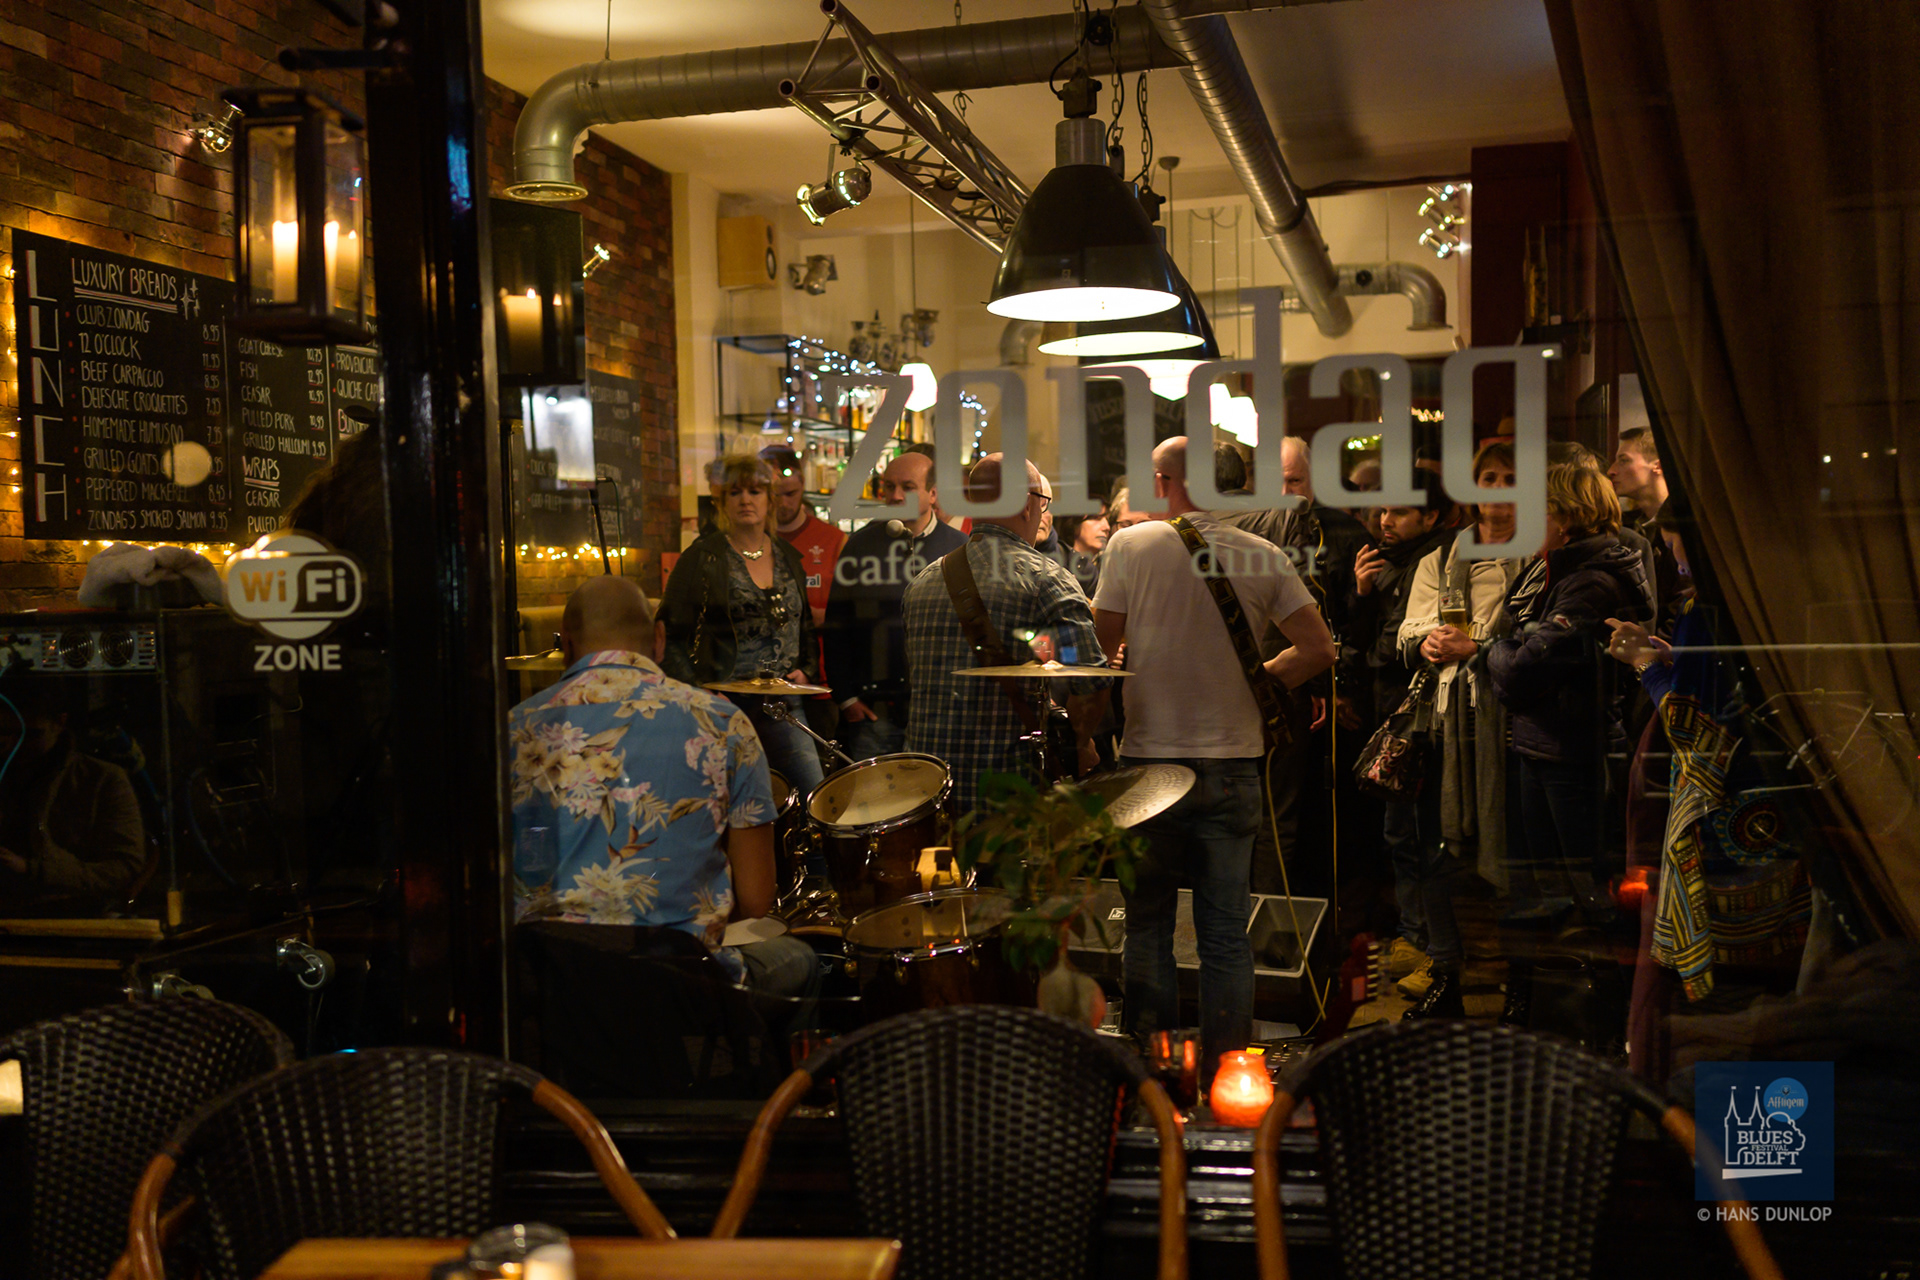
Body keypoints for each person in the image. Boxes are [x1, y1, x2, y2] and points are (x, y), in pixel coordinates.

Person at [1093, 437, 1335, 1073]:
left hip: (1150, 763)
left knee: (1147, 925)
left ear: (1163, 479)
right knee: (1226, 931)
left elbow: (1099, 648)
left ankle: (1154, 1068)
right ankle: (1229, 1073)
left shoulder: (1131, 545)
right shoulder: (1264, 554)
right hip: (1233, 765)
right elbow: (1320, 649)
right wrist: (1260, 679)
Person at [509, 577, 817, 1001]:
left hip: (553, 989)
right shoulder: (724, 723)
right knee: (803, 961)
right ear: (658, 638)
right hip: (683, 986)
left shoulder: (513, 729)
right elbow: (756, 897)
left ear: (567, 647)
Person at [1389, 441, 1527, 1013]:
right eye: (1487, 478)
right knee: (1434, 847)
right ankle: (1447, 968)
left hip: (1510, 716)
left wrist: (1479, 642)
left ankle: (1520, 977)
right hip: (1446, 716)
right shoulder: (1443, 558)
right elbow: (1408, 629)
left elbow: (1541, 636)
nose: (1495, 492)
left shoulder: (1539, 556)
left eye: (1508, 479)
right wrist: (1430, 639)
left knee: (1513, 852)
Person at [1486, 463, 1655, 929]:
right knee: (1551, 889)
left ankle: (1603, 992)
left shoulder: (1589, 579)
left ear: (1564, 517)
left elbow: (1525, 665)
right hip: (1545, 742)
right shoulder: (1558, 570)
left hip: (1571, 748)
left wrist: (1490, 652)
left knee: (1585, 890)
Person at [902, 455, 1108, 815]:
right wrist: (1078, 741)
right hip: (1004, 793)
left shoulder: (920, 584)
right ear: (1029, 505)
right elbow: (1091, 682)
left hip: (925, 791)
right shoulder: (1048, 579)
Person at [659, 454, 824, 795]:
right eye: (735, 493)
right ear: (722, 502)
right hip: (723, 705)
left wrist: (806, 669)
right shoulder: (703, 557)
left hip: (781, 704)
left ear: (770, 500)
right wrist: (700, 690)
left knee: (814, 797)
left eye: (755, 491)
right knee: (732, 803)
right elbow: (667, 635)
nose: (746, 500)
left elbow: (803, 624)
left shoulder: (789, 557)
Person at [823, 451, 965, 760]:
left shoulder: (958, 549)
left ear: (933, 493)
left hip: (941, 712)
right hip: (874, 713)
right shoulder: (861, 546)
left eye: (907, 487)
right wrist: (846, 697)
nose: (895, 496)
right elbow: (837, 626)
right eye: (888, 487)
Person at [0, 683, 145, 903]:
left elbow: (124, 868)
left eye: (30, 735)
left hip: (72, 912)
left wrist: (33, 870)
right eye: (4, 734)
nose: (14, 746)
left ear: (60, 723)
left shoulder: (102, 779)